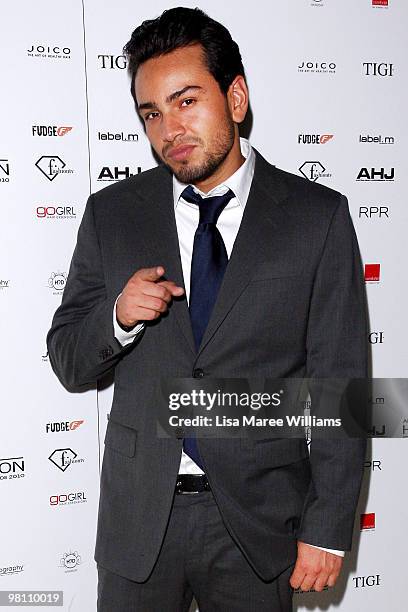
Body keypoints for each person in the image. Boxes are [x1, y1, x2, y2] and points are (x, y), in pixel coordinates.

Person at [47, 7, 368, 611]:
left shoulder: (315, 219)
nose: (170, 128)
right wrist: (117, 318)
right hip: (140, 523)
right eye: (151, 113)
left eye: (186, 100)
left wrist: (327, 526)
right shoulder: (112, 214)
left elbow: (341, 386)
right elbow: (68, 359)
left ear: (236, 96)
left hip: (258, 524)